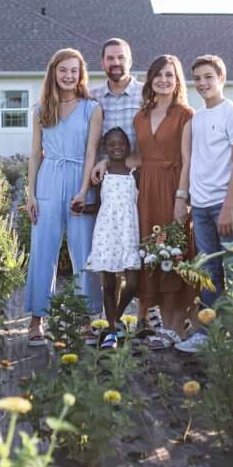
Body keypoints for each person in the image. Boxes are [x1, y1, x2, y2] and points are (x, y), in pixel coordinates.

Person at [25, 48, 103, 347]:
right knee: (43, 251)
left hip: (79, 181)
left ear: (81, 74)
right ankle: (36, 319)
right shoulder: (40, 109)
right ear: (54, 73)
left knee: (83, 252)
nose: (69, 75)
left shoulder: (91, 108)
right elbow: (35, 153)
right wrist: (30, 193)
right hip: (48, 181)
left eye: (74, 70)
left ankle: (86, 319)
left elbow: (91, 153)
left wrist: (84, 191)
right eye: (63, 70)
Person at [175, 54, 233, 354]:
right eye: (198, 78)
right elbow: (190, 161)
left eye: (208, 77)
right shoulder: (197, 119)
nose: (203, 83)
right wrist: (185, 199)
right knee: (209, 272)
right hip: (201, 206)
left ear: (221, 78)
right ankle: (209, 335)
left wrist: (229, 205)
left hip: (223, 204)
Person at [132, 55, 195, 350]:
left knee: (175, 252)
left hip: (172, 188)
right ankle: (161, 322)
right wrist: (106, 162)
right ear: (150, 80)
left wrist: (181, 199)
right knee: (153, 252)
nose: (163, 80)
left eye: (169, 75)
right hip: (147, 190)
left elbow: (187, 161)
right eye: (158, 75)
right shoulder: (141, 115)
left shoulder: (185, 114)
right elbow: (140, 157)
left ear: (177, 80)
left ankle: (173, 327)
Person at [84, 127, 141, 349]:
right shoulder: (102, 174)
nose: (117, 147)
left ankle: (115, 320)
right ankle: (111, 331)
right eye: (112, 144)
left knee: (133, 283)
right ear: (105, 149)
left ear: (128, 146)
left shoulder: (134, 172)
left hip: (129, 231)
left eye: (121, 143)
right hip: (107, 231)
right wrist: (83, 208)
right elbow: (100, 204)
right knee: (108, 283)